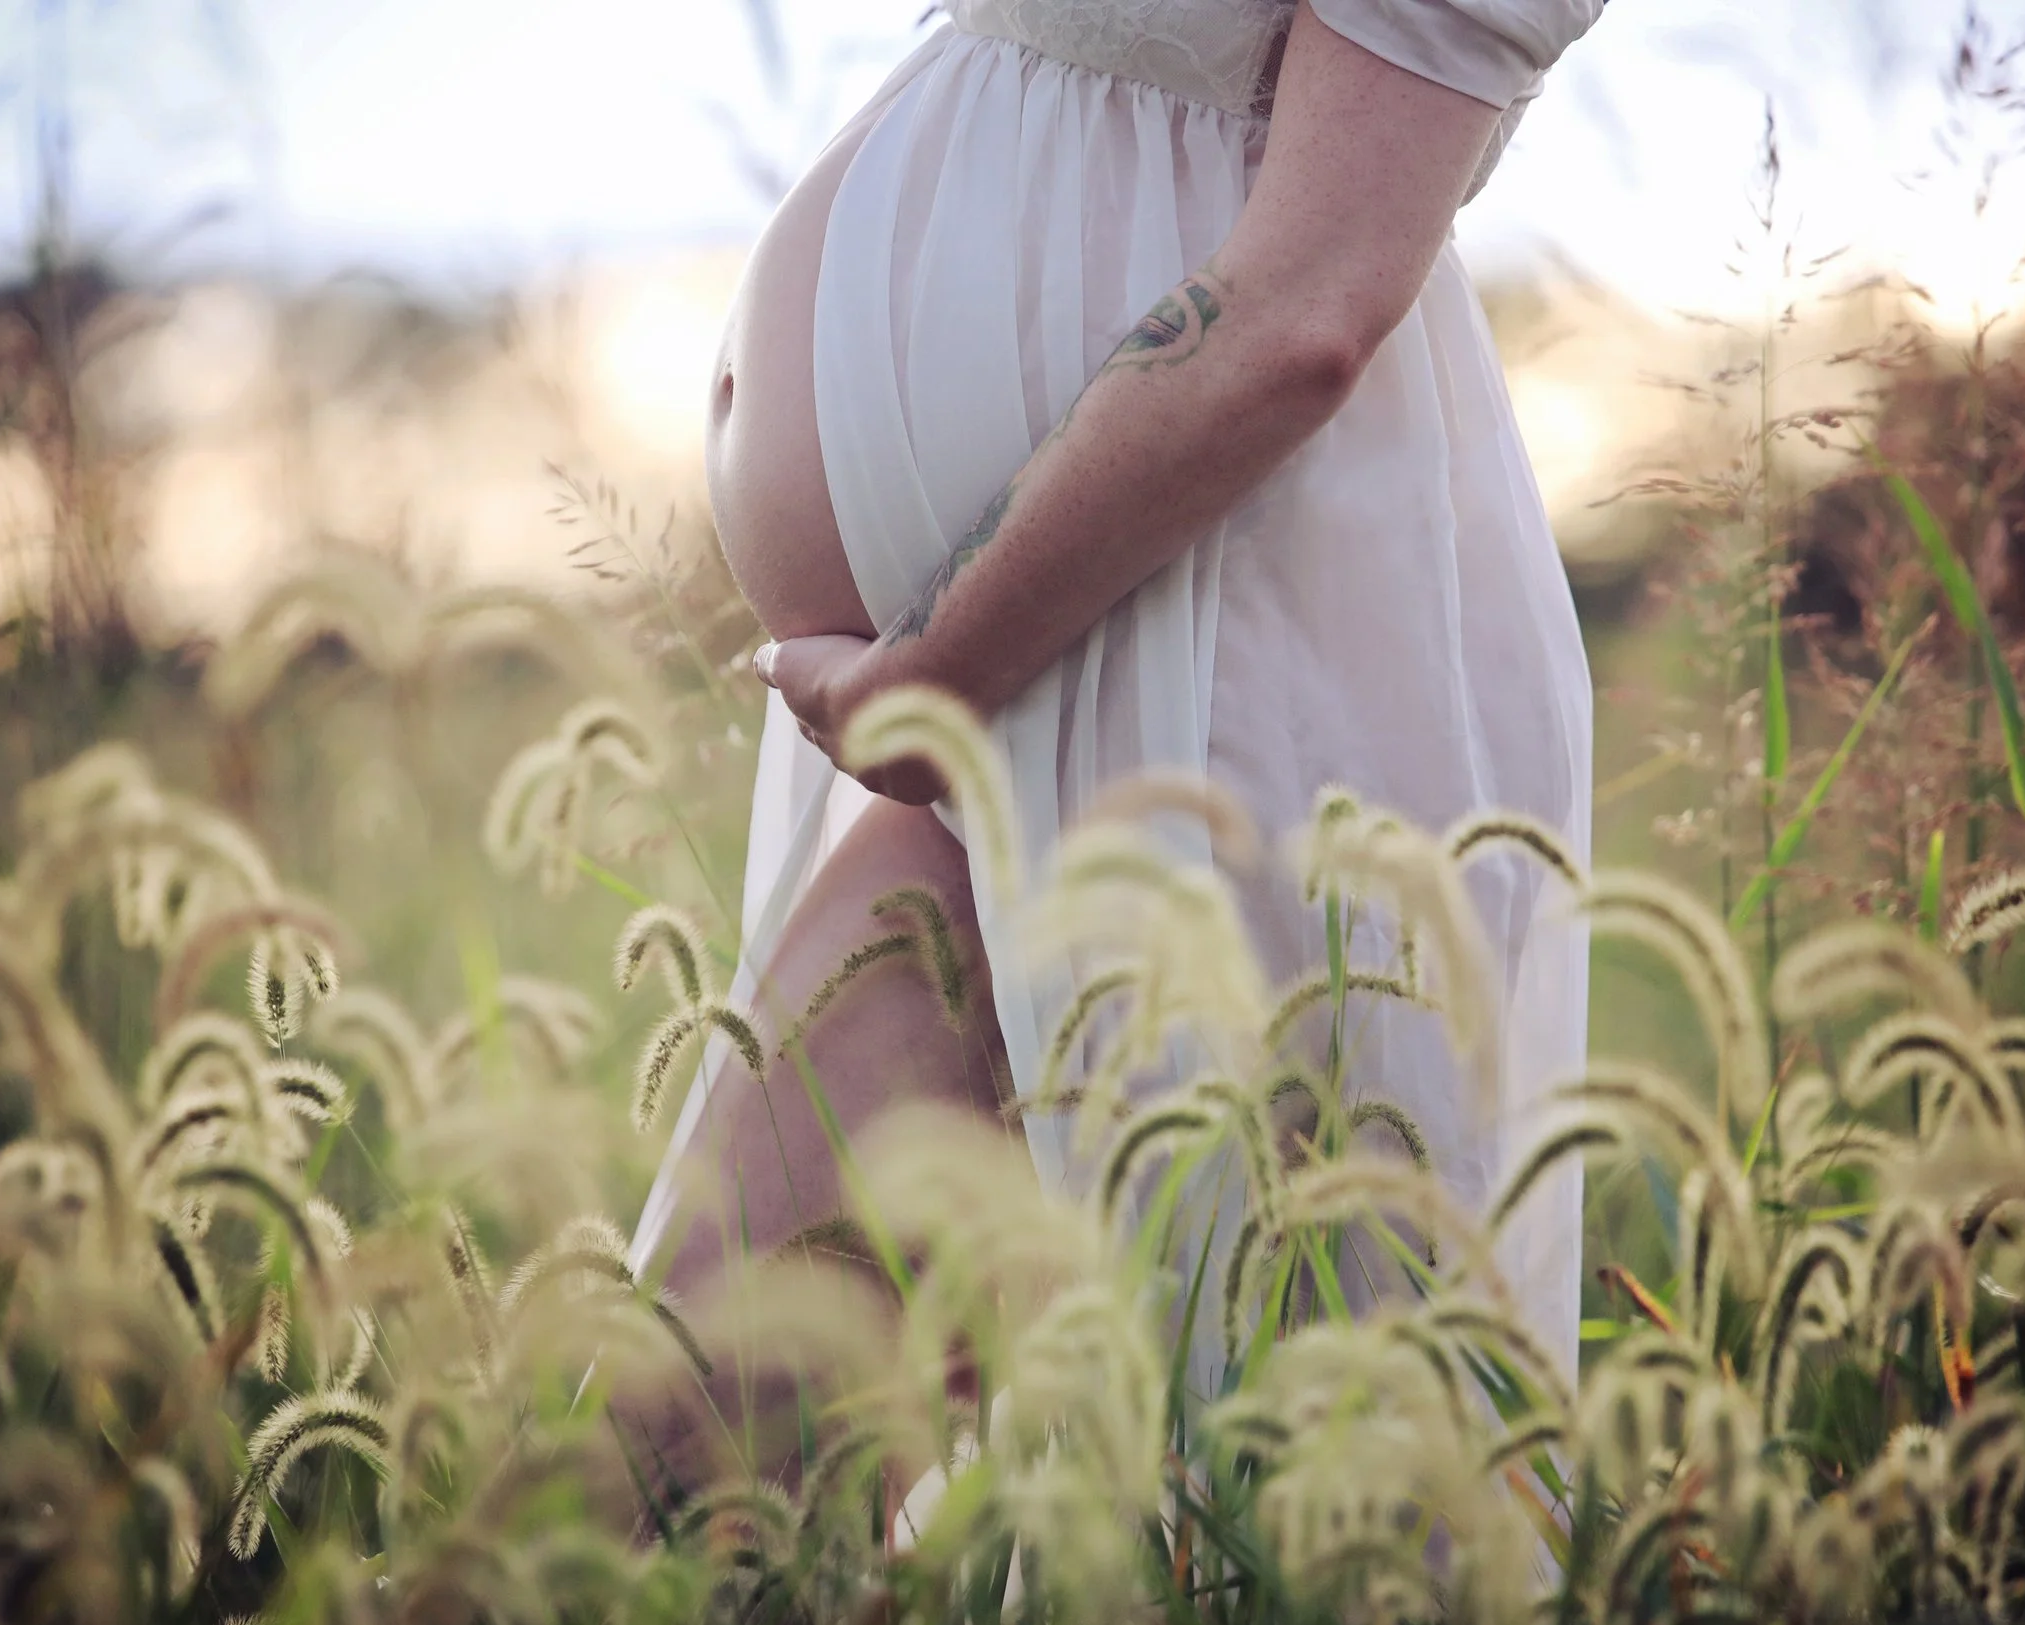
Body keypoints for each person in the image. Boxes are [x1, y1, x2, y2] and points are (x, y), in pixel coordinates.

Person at [622, 0, 1603, 1489]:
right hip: (1022, 714)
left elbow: (1307, 304)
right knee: (699, 1460)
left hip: (1206, 690)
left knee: (1218, 1507)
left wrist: (943, 671)